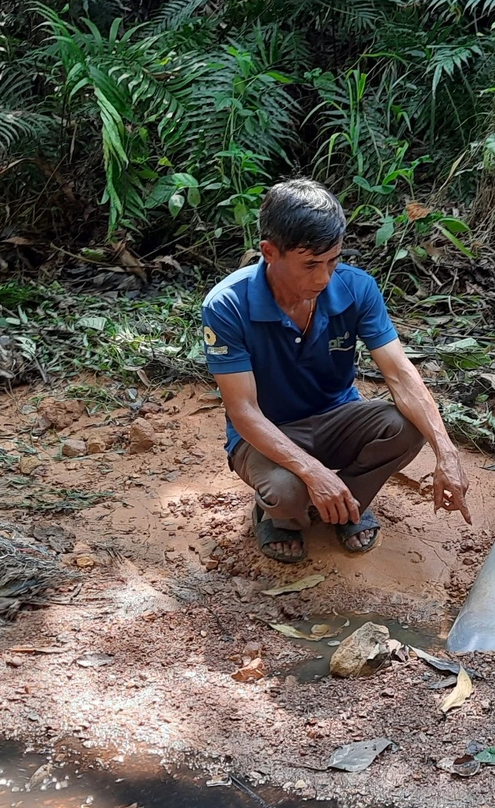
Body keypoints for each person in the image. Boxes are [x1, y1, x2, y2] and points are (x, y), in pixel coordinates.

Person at [202, 178, 471, 563]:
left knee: (408, 427)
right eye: (310, 264)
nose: (323, 279)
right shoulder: (227, 304)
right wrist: (312, 472)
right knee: (287, 489)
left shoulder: (358, 289)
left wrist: (446, 452)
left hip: (337, 416)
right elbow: (243, 411)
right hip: (267, 431)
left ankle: (345, 501)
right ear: (269, 252)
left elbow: (401, 375)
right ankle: (282, 516)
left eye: (333, 261)